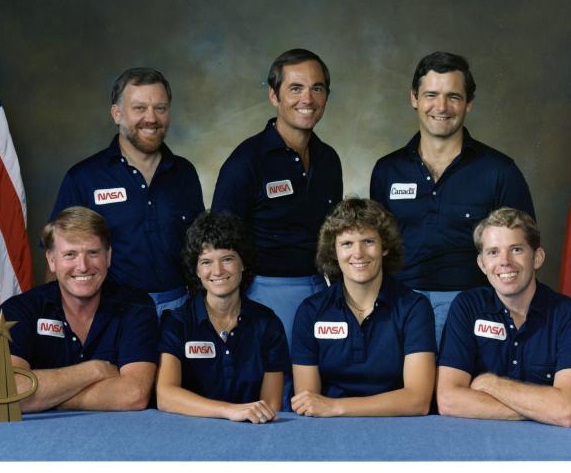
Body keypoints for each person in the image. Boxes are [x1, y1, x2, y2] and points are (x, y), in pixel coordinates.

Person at [370, 51, 535, 345]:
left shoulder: (499, 171)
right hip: (400, 307)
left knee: (462, 390)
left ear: (469, 103)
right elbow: (376, 247)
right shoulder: (387, 170)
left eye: (453, 97)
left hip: (474, 307)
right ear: (414, 98)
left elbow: (523, 249)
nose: (441, 107)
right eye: (431, 94)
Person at [211, 49, 342, 345]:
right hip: (262, 293)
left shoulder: (329, 160)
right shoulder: (246, 162)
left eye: (316, 88)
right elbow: (220, 241)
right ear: (274, 95)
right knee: (277, 384)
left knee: (320, 383)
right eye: (295, 88)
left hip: (320, 289)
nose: (307, 99)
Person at [49, 67, 204, 316]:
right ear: (117, 114)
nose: (151, 118)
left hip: (180, 310)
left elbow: (200, 249)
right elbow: (58, 258)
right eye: (139, 108)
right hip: (112, 313)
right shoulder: (84, 178)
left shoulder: (184, 173)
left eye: (160, 108)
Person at [436, 207, 571, 427]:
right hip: (477, 441)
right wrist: (543, 409)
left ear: (537, 258)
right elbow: (448, 401)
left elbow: (566, 410)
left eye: (516, 249)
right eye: (493, 252)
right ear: (482, 264)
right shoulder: (467, 307)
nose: (505, 261)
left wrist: (488, 383)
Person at [0, 207, 158, 412]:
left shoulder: (136, 307)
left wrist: (42, 399)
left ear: (108, 256)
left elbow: (133, 396)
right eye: (70, 254)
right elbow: (4, 390)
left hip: (119, 437)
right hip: (35, 440)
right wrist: (94, 370)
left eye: (93, 253)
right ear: (52, 260)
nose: (82, 266)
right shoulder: (17, 310)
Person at [290, 198, 435, 417]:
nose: (358, 253)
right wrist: (329, 409)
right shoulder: (311, 311)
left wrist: (336, 407)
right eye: (347, 243)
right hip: (330, 431)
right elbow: (308, 402)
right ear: (334, 251)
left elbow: (418, 401)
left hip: (397, 426)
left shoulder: (414, 308)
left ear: (384, 247)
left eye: (368, 241)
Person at [156, 211, 290, 423]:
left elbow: (270, 405)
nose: (217, 271)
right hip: (189, 433)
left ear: (243, 264)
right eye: (206, 262)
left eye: (227, 259)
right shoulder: (177, 322)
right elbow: (165, 396)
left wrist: (245, 417)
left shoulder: (268, 323)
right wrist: (230, 411)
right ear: (197, 270)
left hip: (252, 431)